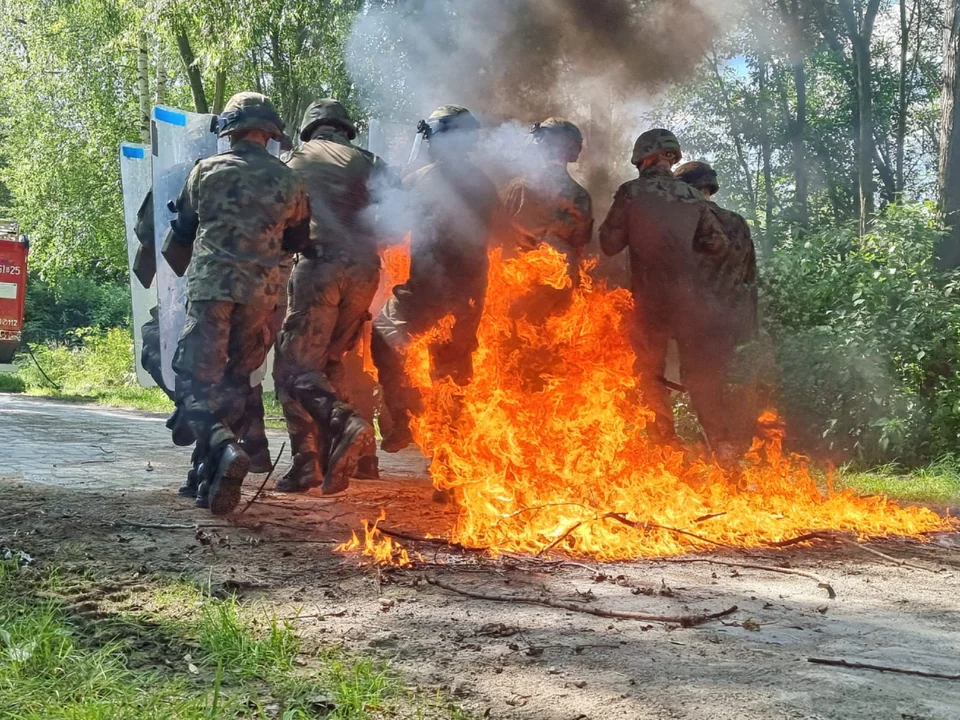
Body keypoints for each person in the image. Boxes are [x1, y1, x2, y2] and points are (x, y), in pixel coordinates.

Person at [166, 91, 311, 514]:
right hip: (262, 296)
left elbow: (182, 233)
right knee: (234, 382)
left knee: (194, 381)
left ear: (229, 130)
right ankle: (205, 480)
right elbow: (298, 242)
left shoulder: (205, 171)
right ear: (270, 134)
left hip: (213, 290)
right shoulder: (291, 181)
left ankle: (224, 448)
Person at [273, 99, 392, 495]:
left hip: (319, 264)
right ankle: (347, 455)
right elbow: (398, 221)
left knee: (294, 368)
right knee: (331, 363)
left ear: (310, 129)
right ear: (346, 129)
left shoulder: (293, 159)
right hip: (365, 270)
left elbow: (278, 220)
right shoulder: (372, 163)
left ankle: (318, 452)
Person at [371, 105, 501, 454]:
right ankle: (450, 468)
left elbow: (390, 228)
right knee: (452, 374)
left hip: (426, 289)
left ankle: (404, 417)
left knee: (384, 335)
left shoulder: (422, 179)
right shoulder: (484, 184)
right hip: (470, 292)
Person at [598, 129, 732, 456]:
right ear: (672, 157)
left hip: (650, 303)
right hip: (691, 303)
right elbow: (719, 245)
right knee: (701, 377)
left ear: (644, 157)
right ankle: (725, 451)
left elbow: (609, 244)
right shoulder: (690, 198)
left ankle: (665, 450)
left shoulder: (631, 193)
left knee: (649, 376)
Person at [674, 161, 760, 452]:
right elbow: (750, 274)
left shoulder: (686, 221)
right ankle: (731, 445)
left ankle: (723, 448)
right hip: (734, 320)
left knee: (702, 386)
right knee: (725, 384)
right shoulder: (736, 221)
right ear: (709, 187)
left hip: (699, 320)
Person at [500, 118, 593, 324]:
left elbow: (498, 237)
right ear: (572, 151)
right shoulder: (580, 196)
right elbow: (581, 245)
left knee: (513, 348)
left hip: (518, 284)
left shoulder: (517, 187)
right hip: (561, 284)